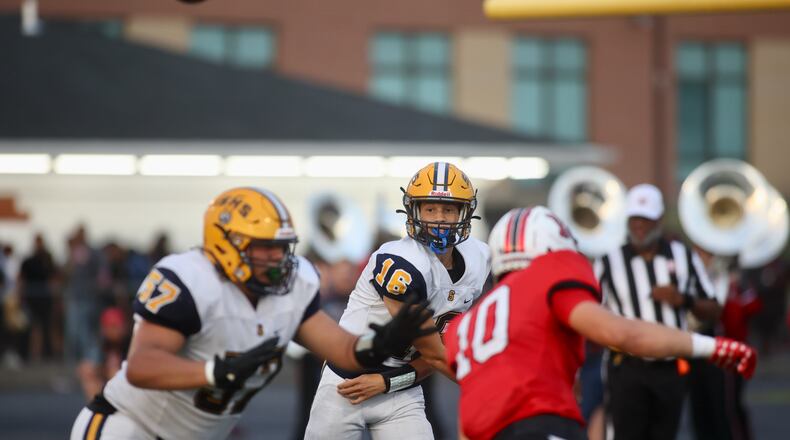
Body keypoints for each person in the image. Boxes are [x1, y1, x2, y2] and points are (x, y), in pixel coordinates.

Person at [69, 187, 436, 440]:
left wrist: (378, 344)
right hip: (130, 429)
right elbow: (141, 367)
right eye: (265, 249)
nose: (278, 259)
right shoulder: (189, 280)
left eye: (281, 248)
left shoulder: (293, 285)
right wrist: (214, 372)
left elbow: (341, 350)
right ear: (225, 244)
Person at [444, 206, 757, 440]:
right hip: (539, 426)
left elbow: (467, 414)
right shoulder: (546, 277)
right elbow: (622, 334)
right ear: (553, 248)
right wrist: (708, 346)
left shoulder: (466, 323)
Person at [305, 162, 491, 440]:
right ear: (413, 210)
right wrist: (495, 384)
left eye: (448, 209)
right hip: (346, 384)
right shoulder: (399, 262)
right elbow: (434, 353)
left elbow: (440, 353)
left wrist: (388, 382)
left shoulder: (480, 258)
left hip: (401, 391)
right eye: (430, 209)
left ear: (464, 213)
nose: (439, 219)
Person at [595, 183, 722, 440]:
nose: (638, 226)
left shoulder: (683, 256)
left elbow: (714, 309)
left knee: (665, 434)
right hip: (626, 366)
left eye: (645, 219)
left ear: (659, 220)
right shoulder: (609, 261)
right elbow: (590, 307)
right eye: (634, 219)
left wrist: (683, 300)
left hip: (670, 367)